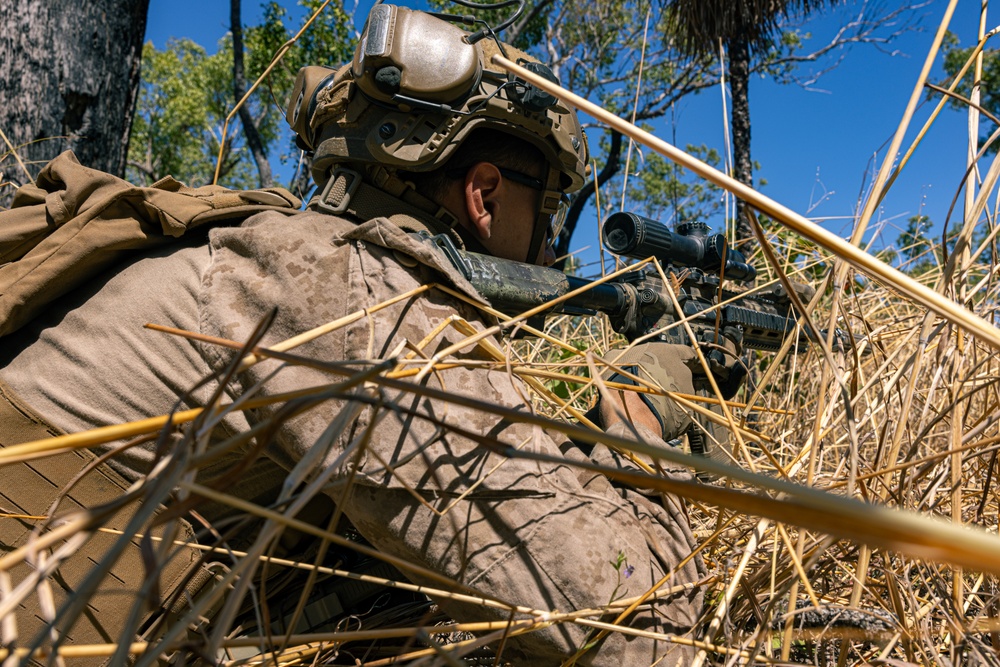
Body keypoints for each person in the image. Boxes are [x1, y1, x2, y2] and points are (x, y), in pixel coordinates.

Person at [0, 5, 717, 665]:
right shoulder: (343, 292)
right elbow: (630, 635)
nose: (556, 251)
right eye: (552, 213)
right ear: (486, 195)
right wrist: (641, 418)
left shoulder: (278, 252)